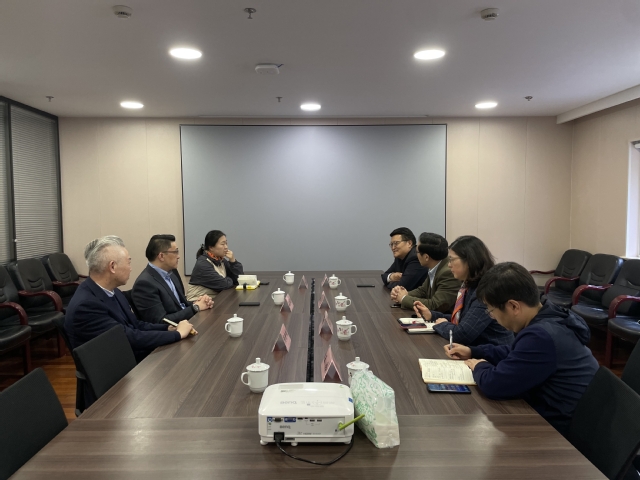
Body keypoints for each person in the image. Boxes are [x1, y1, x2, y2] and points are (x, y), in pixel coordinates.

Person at [445, 262, 599, 437]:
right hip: (566, 415)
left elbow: (494, 385)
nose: (492, 316)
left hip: (562, 432)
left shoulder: (541, 336)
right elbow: (514, 352)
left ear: (514, 306)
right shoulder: (547, 315)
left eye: (491, 310)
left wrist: (479, 366)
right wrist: (473, 351)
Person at [65, 236, 196, 364]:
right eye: (128, 262)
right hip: (118, 370)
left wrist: (169, 328)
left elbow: (136, 325)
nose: (131, 268)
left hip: (129, 356)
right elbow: (129, 338)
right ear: (112, 267)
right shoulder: (86, 305)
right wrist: (178, 334)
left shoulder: (113, 290)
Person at [413, 235, 513, 346]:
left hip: (492, 353)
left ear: (469, 260)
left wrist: (441, 325)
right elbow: (463, 319)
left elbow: (462, 334)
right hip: (475, 350)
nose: (449, 265)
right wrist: (432, 315)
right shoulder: (469, 285)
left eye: (452, 260)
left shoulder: (485, 290)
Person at [132, 234, 213, 324]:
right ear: (161, 256)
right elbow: (161, 321)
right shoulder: (145, 284)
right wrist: (195, 308)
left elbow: (181, 304)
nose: (178, 256)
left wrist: (199, 303)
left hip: (186, 322)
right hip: (174, 330)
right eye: (175, 252)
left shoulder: (172, 272)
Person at [390, 232, 461, 312]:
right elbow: (423, 291)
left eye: (417, 252)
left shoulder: (448, 273)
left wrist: (403, 298)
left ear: (426, 257)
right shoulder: (435, 265)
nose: (415, 255)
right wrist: (401, 294)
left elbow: (435, 305)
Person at [187, 230, 244, 301]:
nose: (226, 247)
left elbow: (239, 279)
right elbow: (224, 285)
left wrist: (233, 261)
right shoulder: (203, 264)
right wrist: (230, 279)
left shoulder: (220, 260)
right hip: (196, 302)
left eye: (226, 243)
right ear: (211, 247)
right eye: (222, 244)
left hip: (212, 300)